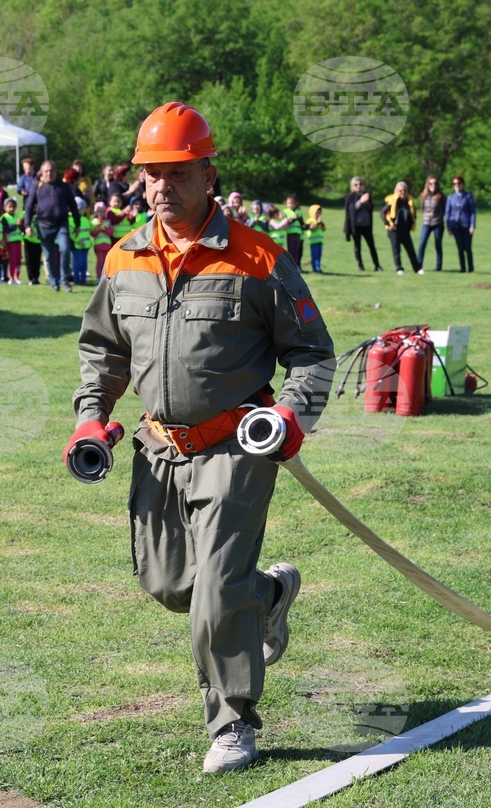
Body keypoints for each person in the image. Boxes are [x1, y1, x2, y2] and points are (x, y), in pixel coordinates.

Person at [67, 102, 334, 775]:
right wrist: (89, 415)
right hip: (158, 450)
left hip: (236, 448)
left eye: (179, 172)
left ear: (210, 174)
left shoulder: (258, 257)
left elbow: (312, 353)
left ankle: (232, 723)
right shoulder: (123, 256)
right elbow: (102, 350)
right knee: (167, 584)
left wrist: (292, 417)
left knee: (215, 591)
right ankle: (268, 596)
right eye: (153, 174)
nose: (163, 186)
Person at [23, 160, 80, 292]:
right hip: (43, 226)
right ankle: (54, 282)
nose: (49, 173)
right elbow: (29, 207)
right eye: (46, 171)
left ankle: (65, 280)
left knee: (65, 250)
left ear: (56, 172)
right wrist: (27, 225)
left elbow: (73, 206)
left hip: (62, 225)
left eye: (52, 171)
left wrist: (77, 223)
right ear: (42, 173)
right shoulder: (36, 186)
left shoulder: (64, 187)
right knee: (49, 256)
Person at [343, 176, 382, 272]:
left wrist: (366, 201)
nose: (358, 186)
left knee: (372, 246)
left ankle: (377, 265)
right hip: (356, 227)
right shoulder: (350, 197)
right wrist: (360, 202)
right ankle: (360, 266)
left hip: (367, 226)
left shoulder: (366, 195)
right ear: (352, 186)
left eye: (360, 184)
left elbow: (371, 208)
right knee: (357, 247)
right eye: (356, 184)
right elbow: (351, 210)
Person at [382, 181, 421, 275]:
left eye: (404, 190)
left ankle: (417, 269)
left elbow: (413, 215)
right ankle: (399, 268)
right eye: (400, 191)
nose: (402, 192)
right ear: (396, 191)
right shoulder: (392, 201)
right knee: (396, 250)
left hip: (405, 230)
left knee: (410, 250)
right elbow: (382, 213)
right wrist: (389, 223)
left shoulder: (408, 202)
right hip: (394, 230)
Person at [445, 175, 476, 273]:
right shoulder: (451, 197)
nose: (457, 185)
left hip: (466, 224)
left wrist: (472, 225)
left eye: (458, 183)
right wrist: (449, 227)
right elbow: (448, 213)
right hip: (456, 226)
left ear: (462, 184)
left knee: (467, 247)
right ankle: (462, 268)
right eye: (454, 184)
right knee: (460, 247)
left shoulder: (468, 196)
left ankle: (470, 268)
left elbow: (472, 212)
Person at [1, 197, 24, 285]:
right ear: (5, 208)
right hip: (10, 242)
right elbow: (6, 229)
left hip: (18, 241)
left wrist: (21, 225)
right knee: (12, 260)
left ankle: (17, 276)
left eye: (13, 207)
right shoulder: (4, 218)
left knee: (18, 260)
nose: (11, 209)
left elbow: (22, 229)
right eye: (9, 207)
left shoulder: (18, 217)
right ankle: (11, 277)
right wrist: (16, 225)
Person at [90, 201, 113, 282]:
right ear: (96, 212)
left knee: (106, 262)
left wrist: (105, 229)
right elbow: (92, 233)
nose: (101, 213)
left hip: (107, 245)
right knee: (100, 262)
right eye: (99, 211)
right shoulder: (93, 222)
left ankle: (106, 277)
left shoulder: (107, 221)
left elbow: (110, 232)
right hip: (98, 245)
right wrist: (98, 229)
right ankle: (99, 277)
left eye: (103, 211)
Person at [281, 194, 304, 268]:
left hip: (298, 233)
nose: (290, 205)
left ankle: (297, 265)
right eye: (288, 203)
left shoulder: (299, 211)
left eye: (292, 203)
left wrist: (298, 218)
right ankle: (290, 266)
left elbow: (302, 223)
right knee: (290, 251)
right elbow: (288, 222)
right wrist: (295, 218)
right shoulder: (285, 211)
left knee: (297, 251)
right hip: (290, 233)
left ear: (296, 203)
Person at [306, 204, 325, 273]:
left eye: (319, 212)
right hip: (313, 242)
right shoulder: (310, 220)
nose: (319, 214)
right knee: (314, 256)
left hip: (319, 241)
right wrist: (318, 223)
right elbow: (313, 229)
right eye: (317, 212)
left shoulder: (319, 220)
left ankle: (318, 267)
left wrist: (321, 223)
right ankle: (315, 268)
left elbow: (324, 229)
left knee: (319, 256)